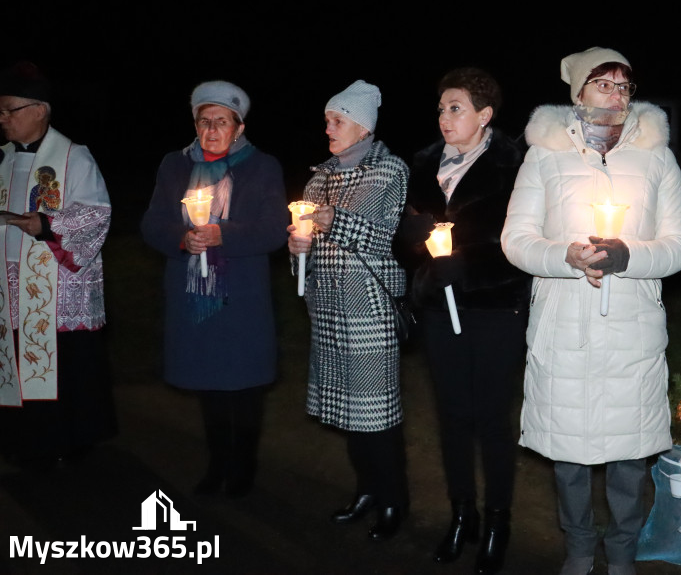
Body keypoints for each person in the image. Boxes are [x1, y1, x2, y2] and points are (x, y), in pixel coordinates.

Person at [501, 47, 681, 575]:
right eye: (603, 83)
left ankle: (623, 551)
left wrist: (629, 256)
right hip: (564, 322)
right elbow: (516, 240)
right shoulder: (544, 154)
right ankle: (581, 548)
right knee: (569, 452)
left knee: (631, 455)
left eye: (624, 86)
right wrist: (564, 257)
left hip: (631, 325)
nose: (615, 95)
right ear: (578, 92)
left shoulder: (657, 156)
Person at [398, 67, 531, 574]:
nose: (444, 117)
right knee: (452, 413)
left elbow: (523, 239)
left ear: (485, 115)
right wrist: (413, 238)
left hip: (495, 305)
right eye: (440, 108)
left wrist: (467, 263)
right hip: (439, 306)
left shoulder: (513, 163)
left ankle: (498, 520)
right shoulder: (426, 163)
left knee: (492, 417)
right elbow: (409, 240)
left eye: (455, 108)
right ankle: (463, 514)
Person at [141, 80, 287, 497]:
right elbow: (152, 224)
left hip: (240, 297)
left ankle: (242, 468)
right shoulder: (175, 165)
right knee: (209, 384)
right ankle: (217, 463)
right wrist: (182, 239)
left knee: (242, 386)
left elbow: (273, 229)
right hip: (193, 295)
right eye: (204, 121)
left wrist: (223, 234)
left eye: (221, 121)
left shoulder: (262, 167)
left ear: (238, 126)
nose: (211, 130)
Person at [288, 80, 410, 541]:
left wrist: (329, 220)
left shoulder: (388, 170)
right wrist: (298, 248)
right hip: (328, 310)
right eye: (327, 121)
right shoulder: (319, 177)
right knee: (349, 415)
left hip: (369, 310)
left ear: (362, 126)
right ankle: (366, 491)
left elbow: (381, 237)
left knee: (376, 416)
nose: (328, 128)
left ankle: (394, 500)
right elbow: (308, 250)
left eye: (336, 121)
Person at [0, 61, 116, 465]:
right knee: (13, 360)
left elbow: (97, 213)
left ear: (38, 110)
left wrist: (47, 224)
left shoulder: (73, 158)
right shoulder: (1, 159)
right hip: (8, 284)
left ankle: (68, 441)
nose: (2, 119)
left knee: (63, 365)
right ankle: (18, 439)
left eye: (9, 110)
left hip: (57, 286)